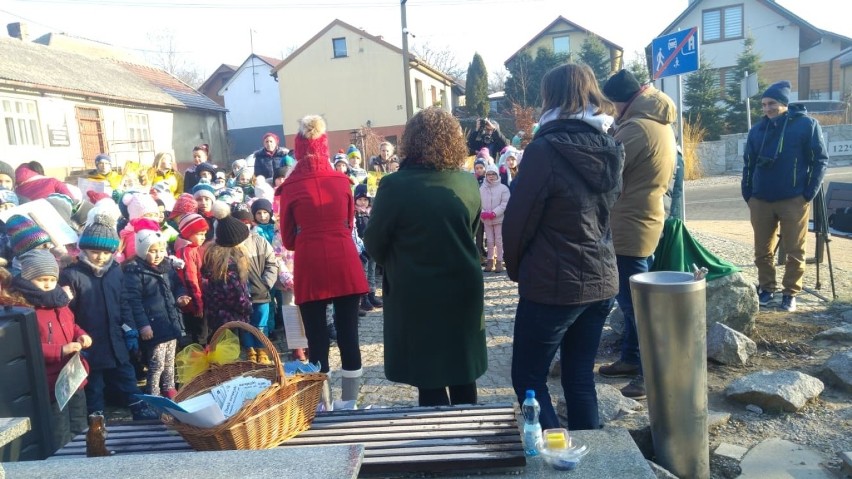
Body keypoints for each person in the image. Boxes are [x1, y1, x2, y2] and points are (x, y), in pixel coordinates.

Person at [503, 63, 624, 430]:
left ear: (550, 98)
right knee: (579, 377)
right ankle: (596, 462)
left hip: (553, 285)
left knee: (528, 379)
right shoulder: (611, 145)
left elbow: (518, 222)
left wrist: (515, 269)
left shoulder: (544, 150)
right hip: (601, 279)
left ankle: (554, 458)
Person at [364, 107, 487, 407]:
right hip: (463, 287)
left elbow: (374, 244)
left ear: (412, 141)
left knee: (428, 375)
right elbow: (471, 229)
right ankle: (471, 439)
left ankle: (440, 446)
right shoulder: (468, 181)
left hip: (416, 292)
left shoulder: (394, 185)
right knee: (462, 370)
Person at [597, 68, 677, 400]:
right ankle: (631, 358)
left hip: (630, 223)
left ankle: (648, 375)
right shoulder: (655, 122)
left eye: (612, 104)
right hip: (641, 219)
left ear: (622, 101)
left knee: (636, 305)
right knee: (631, 299)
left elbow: (605, 169)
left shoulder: (636, 129)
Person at [279, 115, 367, 405]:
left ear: (299, 149)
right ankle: (349, 404)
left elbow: (288, 238)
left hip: (310, 263)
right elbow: (348, 221)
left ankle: (325, 405)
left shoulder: (291, 186)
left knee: (316, 340)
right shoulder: (342, 180)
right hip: (344, 259)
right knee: (349, 335)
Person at [59, 214, 159, 420]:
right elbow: (68, 312)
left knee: (126, 375)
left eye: (106, 253)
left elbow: (123, 302)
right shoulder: (73, 275)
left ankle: (138, 407)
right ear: (84, 250)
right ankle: (96, 417)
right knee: (93, 382)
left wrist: (129, 329)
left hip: (115, 335)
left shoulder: (114, 271)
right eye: (95, 252)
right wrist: (75, 335)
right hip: (89, 338)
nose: (101, 257)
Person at [742, 80, 828, 313]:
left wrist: (808, 193)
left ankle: (790, 293)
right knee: (762, 250)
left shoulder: (806, 125)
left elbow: (820, 160)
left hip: (793, 199)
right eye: (764, 104)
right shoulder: (757, 130)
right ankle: (767, 288)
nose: (767, 108)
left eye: (772, 104)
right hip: (760, 200)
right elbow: (748, 163)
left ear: (784, 104)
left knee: (794, 250)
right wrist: (747, 192)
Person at [1, 250, 91, 451]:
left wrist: (81, 335)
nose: (48, 284)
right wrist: (60, 350)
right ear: (28, 278)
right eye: (42, 280)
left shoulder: (59, 300)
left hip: (73, 375)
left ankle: (83, 460)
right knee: (59, 429)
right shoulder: (24, 307)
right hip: (50, 381)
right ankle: (61, 464)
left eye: (52, 279)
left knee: (79, 423)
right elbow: (26, 345)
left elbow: (72, 324)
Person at [122, 229, 188, 398]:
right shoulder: (135, 272)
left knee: (169, 360)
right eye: (152, 251)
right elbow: (134, 302)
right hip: (153, 324)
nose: (157, 255)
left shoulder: (167, 268)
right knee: (156, 362)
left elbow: (177, 285)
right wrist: (143, 325)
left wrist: (180, 297)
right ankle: (153, 392)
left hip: (169, 321)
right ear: (143, 252)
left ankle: (169, 387)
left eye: (160, 250)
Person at [201, 211, 253, 335]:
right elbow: (236, 296)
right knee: (229, 350)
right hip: (229, 320)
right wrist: (248, 308)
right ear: (234, 243)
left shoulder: (214, 260)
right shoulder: (228, 268)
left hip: (218, 317)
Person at [174, 213, 208, 345]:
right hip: (194, 302)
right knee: (200, 335)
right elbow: (190, 279)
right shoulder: (187, 252)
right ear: (188, 233)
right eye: (199, 234)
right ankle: (201, 361)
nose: (203, 237)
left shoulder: (194, 248)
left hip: (198, 299)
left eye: (204, 233)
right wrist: (198, 306)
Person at [354, 184, 382, 311]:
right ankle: (363, 297)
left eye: (365, 200)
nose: (362, 202)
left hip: (372, 245)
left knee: (372, 271)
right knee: (363, 272)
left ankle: (372, 294)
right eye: (360, 199)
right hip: (361, 248)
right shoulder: (354, 213)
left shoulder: (372, 212)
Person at [480, 164, 510, 273]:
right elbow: (478, 202)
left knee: (499, 240)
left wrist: (494, 213)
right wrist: (482, 213)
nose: (491, 176)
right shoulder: (482, 188)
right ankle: (490, 260)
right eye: (489, 174)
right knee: (489, 240)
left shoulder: (503, 188)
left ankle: (499, 261)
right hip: (487, 220)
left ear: (497, 175)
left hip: (499, 219)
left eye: (493, 174)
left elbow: (504, 203)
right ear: (486, 175)